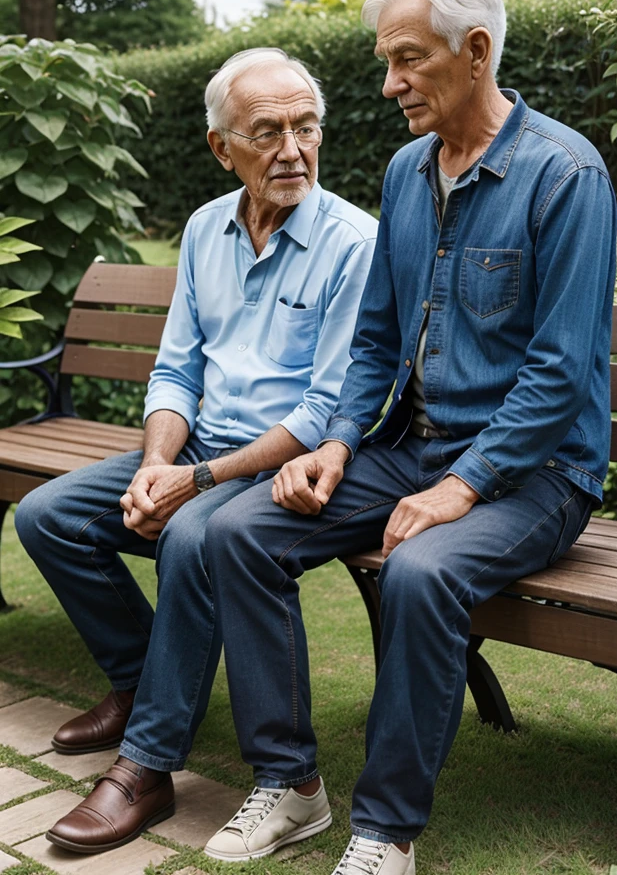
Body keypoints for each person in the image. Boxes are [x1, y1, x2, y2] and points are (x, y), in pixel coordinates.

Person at [201, 0, 617, 874]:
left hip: (539, 474)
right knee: (238, 532)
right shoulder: (404, 171)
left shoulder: (565, 176)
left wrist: (464, 487)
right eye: (386, 62)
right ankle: (293, 788)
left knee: (420, 571)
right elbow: (378, 341)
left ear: (475, 51)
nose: (388, 85)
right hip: (412, 448)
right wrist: (341, 444)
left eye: (407, 61)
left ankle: (385, 833)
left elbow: (557, 377)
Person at [14, 47, 377, 854]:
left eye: (306, 127)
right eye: (268, 132)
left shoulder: (355, 243)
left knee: (190, 532)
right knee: (48, 516)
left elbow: (326, 408)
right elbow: (178, 368)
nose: (292, 150)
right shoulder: (205, 229)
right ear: (222, 146)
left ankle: (146, 765)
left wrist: (196, 480)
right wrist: (154, 465)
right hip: (199, 450)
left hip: (278, 467)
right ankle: (143, 682)